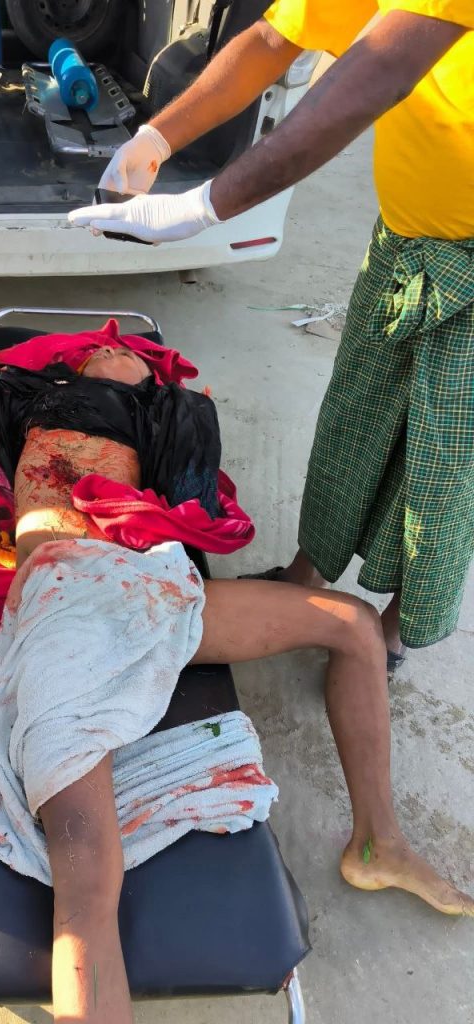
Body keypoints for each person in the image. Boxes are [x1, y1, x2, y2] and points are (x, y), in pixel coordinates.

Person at [0, 328, 472, 1024]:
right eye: (104, 355)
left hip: (152, 596)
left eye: (131, 357)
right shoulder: (35, 413)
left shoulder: (152, 432)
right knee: (86, 890)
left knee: (355, 625)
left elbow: (197, 501)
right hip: (68, 613)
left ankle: (377, 843)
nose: (118, 354)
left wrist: (165, 414)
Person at [69, 2, 474, 673]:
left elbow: (382, 71)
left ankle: (397, 627)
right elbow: (270, 37)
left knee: (446, 464)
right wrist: (158, 138)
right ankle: (306, 575)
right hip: (406, 240)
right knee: (352, 420)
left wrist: (204, 206)